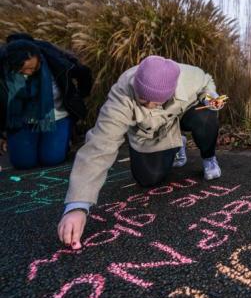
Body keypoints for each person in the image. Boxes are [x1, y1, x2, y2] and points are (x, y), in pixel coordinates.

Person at [57, 55, 225, 249]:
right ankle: (177, 143)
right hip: (152, 134)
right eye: (142, 99)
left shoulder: (190, 77)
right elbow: (100, 145)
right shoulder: (122, 95)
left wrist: (210, 96)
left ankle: (209, 157)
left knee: (207, 115)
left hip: (182, 114)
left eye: (153, 102)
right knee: (148, 179)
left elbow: (207, 80)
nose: (146, 105)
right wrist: (78, 204)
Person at [0, 33, 92, 169]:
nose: (28, 73)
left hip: (56, 116)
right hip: (21, 120)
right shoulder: (4, 70)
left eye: (31, 68)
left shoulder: (56, 62)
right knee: (23, 163)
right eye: (22, 71)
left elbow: (84, 72)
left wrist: (79, 96)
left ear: (37, 58)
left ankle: (65, 139)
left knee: (51, 159)